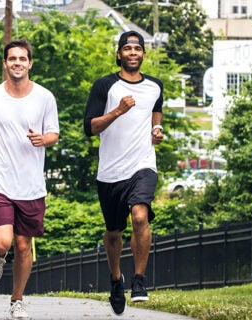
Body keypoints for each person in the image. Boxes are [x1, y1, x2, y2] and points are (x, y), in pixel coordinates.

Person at [82, 30, 165, 315]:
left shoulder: (155, 86)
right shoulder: (104, 85)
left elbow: (156, 109)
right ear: (119, 54)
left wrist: (157, 129)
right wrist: (117, 111)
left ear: (143, 54)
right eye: (127, 48)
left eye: (137, 48)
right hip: (110, 171)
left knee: (140, 215)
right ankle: (116, 279)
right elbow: (90, 128)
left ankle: (140, 281)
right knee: (113, 233)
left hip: (142, 164)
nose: (133, 53)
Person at [0, 38, 59, 320]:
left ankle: (17, 300)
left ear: (30, 63)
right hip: (0, 183)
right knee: (2, 241)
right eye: (12, 59)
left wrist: (42, 139)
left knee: (24, 246)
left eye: (22, 59)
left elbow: (54, 134)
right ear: (5, 63)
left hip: (32, 186)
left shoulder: (45, 97)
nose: (17, 63)